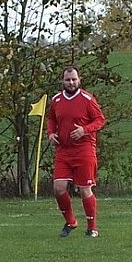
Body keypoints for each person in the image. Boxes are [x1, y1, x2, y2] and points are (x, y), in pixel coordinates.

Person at [47, 65, 106, 238]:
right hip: (63, 151)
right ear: (62, 81)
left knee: (84, 189)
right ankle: (70, 221)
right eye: (68, 80)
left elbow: (100, 120)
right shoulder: (57, 100)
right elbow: (51, 118)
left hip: (84, 150)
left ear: (79, 80)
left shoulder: (87, 99)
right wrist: (50, 134)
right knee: (58, 188)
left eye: (74, 79)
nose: (71, 83)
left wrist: (84, 130)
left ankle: (92, 227)